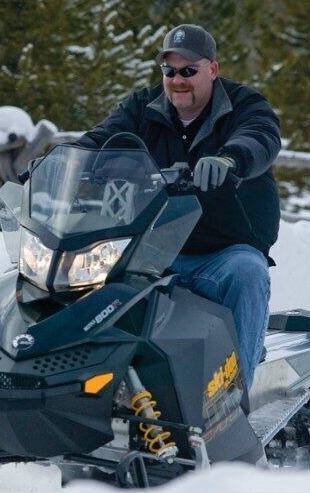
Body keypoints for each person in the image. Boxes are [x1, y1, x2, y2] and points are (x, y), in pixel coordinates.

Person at [75, 23, 281, 389]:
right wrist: (62, 161)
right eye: (169, 71)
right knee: (88, 272)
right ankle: (91, 391)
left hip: (223, 252)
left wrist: (230, 160)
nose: (178, 80)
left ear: (212, 70)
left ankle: (236, 402)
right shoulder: (143, 106)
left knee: (247, 274)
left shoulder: (244, 104)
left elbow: (260, 137)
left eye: (188, 70)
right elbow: (103, 137)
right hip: (153, 249)